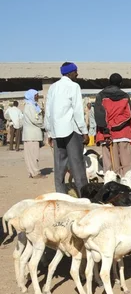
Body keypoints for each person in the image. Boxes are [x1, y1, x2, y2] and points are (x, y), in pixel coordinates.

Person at [44, 62, 89, 195]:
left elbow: (48, 111)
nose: (77, 74)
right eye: (76, 71)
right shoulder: (74, 86)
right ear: (70, 73)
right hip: (71, 130)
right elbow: (77, 111)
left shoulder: (53, 87)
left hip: (57, 131)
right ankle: (84, 194)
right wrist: (84, 131)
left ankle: (60, 193)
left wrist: (50, 133)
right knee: (77, 164)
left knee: (59, 165)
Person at [94, 73, 131, 175]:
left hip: (107, 135)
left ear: (109, 82)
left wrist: (107, 128)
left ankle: (111, 186)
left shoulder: (100, 95)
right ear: (120, 83)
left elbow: (99, 115)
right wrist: (116, 124)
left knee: (109, 166)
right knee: (126, 165)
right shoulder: (125, 96)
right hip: (123, 134)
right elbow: (128, 115)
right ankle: (127, 186)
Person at [22, 89, 46, 179]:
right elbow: (35, 120)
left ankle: (32, 172)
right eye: (36, 95)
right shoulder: (30, 106)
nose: (37, 97)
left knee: (30, 155)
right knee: (33, 155)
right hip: (32, 135)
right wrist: (44, 124)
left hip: (31, 135)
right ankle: (35, 173)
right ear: (31, 96)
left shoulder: (33, 106)